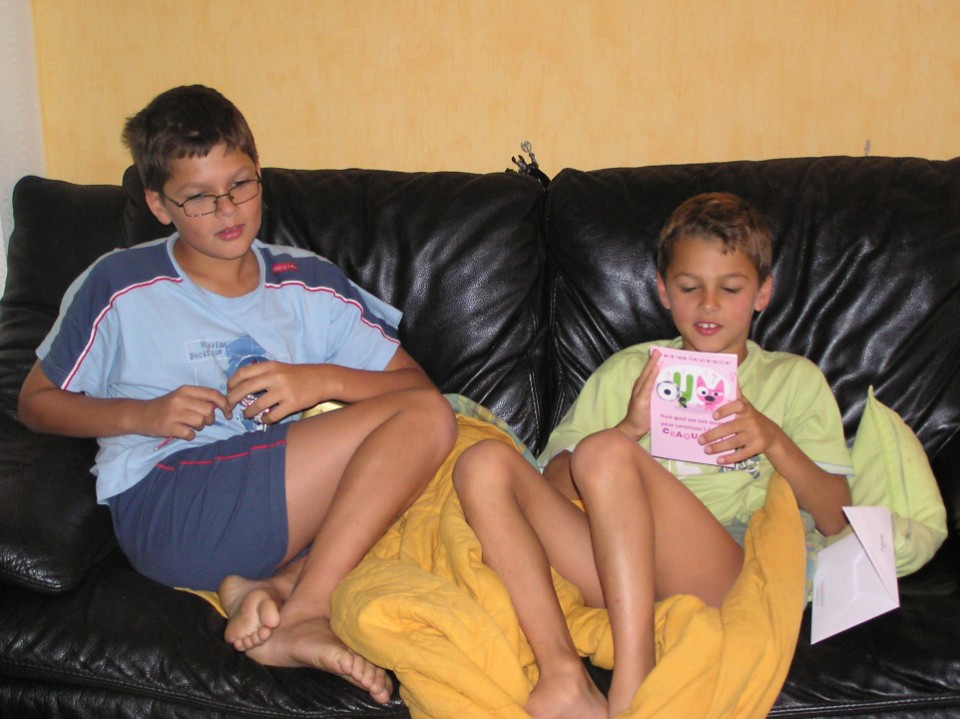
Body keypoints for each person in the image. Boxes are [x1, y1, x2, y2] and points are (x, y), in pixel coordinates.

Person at [18, 85, 458, 704]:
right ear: (159, 204)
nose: (227, 210)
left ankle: (267, 589)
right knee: (424, 423)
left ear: (259, 174)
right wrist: (143, 413)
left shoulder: (309, 280)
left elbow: (414, 388)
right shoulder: (118, 283)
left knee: (411, 467)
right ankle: (306, 613)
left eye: (241, 185)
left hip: (278, 515)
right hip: (172, 501)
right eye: (198, 197)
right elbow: (35, 402)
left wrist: (321, 379)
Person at [452, 192, 853, 718]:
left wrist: (774, 440)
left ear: (762, 293)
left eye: (730, 288)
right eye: (689, 287)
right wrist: (629, 428)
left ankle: (632, 681)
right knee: (482, 463)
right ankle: (564, 675)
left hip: (718, 567)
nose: (708, 304)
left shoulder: (792, 379)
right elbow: (551, 489)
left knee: (605, 453)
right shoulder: (628, 371)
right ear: (664, 291)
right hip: (613, 566)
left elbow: (837, 516)